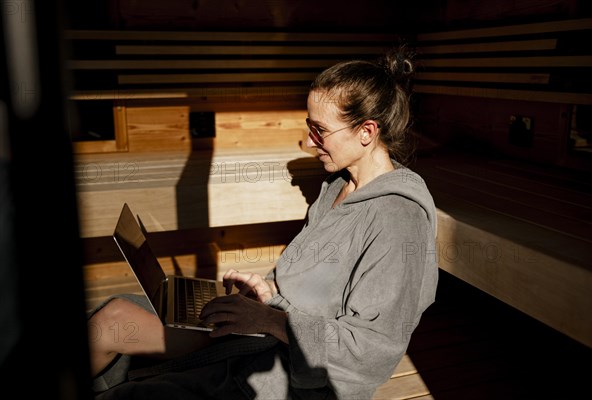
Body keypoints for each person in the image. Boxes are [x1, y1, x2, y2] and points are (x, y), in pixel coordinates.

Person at [88, 46, 439, 399]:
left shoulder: (398, 220)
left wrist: (271, 320)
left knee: (126, 366)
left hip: (286, 375)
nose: (308, 142)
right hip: (265, 330)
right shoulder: (337, 187)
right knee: (115, 313)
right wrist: (267, 292)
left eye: (320, 131)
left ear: (366, 132)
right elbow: (309, 284)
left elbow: (370, 352)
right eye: (308, 127)